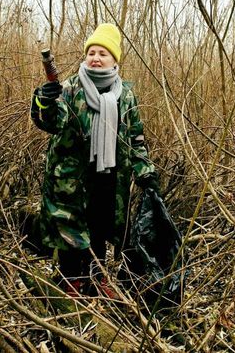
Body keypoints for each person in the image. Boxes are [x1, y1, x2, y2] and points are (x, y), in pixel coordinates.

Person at [30, 23, 160, 297]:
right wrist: (44, 101)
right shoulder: (69, 87)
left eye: (103, 53)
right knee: (70, 230)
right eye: (92, 52)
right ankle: (71, 281)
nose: (96, 58)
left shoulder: (124, 95)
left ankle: (98, 278)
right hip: (72, 176)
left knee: (101, 226)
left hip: (109, 174)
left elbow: (135, 137)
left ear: (114, 59)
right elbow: (51, 123)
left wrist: (145, 171)